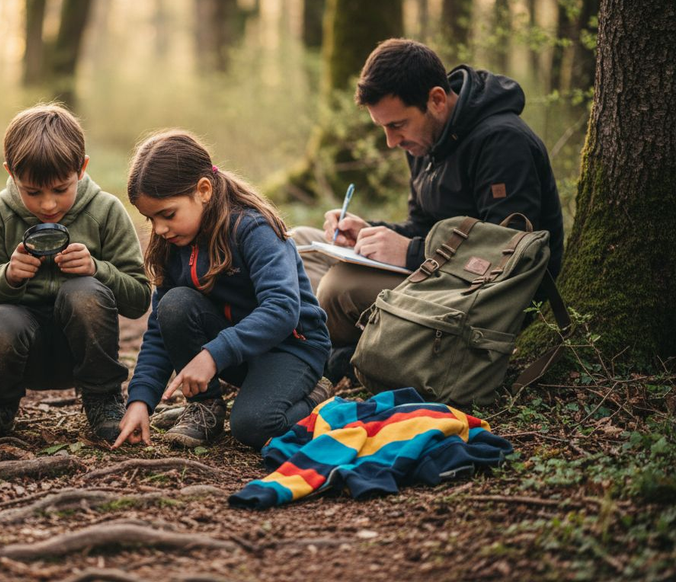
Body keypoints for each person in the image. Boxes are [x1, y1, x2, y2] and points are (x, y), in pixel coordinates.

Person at [293, 38, 565, 384]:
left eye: (397, 125)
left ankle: (335, 354)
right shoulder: (425, 139)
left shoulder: (502, 143)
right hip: (435, 275)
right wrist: (366, 231)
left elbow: (509, 254)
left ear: (436, 100)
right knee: (298, 246)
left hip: (481, 299)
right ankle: (350, 352)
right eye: (384, 128)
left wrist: (410, 252)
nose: (392, 142)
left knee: (338, 287)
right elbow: (421, 223)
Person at [115, 130, 334, 451]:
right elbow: (161, 330)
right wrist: (140, 401)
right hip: (237, 354)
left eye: (168, 214)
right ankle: (204, 406)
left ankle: (318, 395)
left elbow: (282, 309)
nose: (159, 229)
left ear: (203, 190)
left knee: (253, 426)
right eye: (151, 218)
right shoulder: (174, 244)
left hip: (292, 349)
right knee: (174, 304)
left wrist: (213, 354)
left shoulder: (253, 229)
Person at [0, 104, 151, 443]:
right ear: (11, 173)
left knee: (84, 292)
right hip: (20, 353)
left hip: (84, 353)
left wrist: (97, 269)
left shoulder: (105, 211)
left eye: (61, 189)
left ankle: (104, 400)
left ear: (82, 168)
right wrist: (9, 276)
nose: (48, 205)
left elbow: (138, 300)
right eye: (33, 192)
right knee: (1, 320)